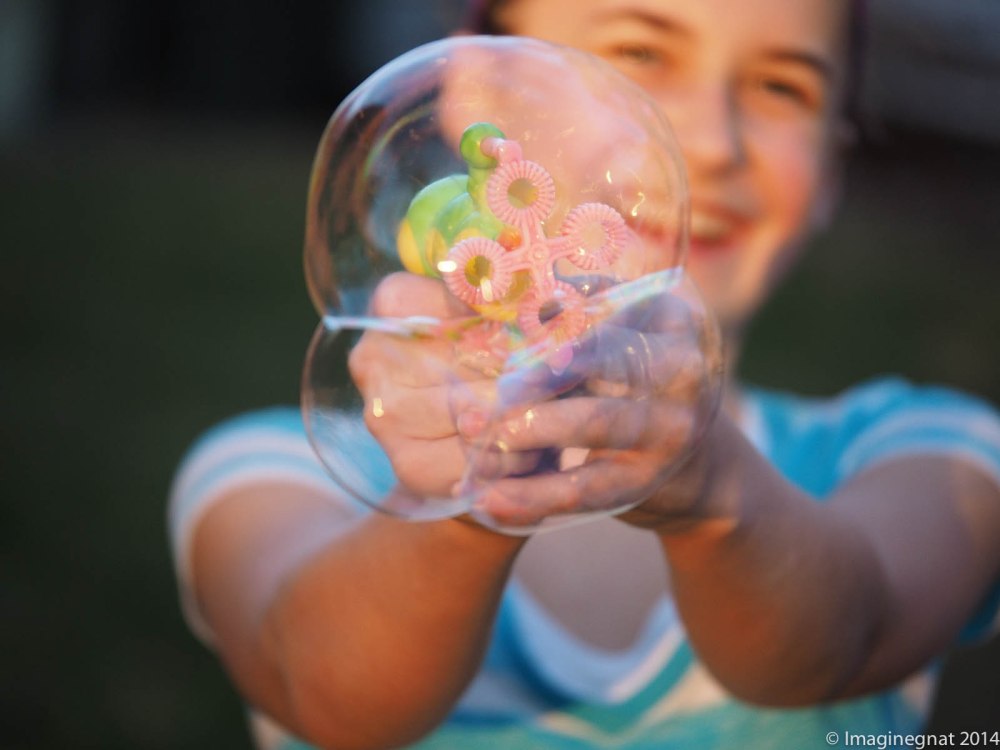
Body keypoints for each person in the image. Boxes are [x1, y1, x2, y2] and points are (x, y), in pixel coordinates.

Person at [169, 0, 1000, 748]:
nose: (713, 144)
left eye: (783, 89)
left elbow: (842, 638)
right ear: (475, 90)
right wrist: (467, 498)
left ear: (832, 165)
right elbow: (327, 694)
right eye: (640, 53)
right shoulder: (270, 480)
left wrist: (711, 490)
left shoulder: (936, 460)